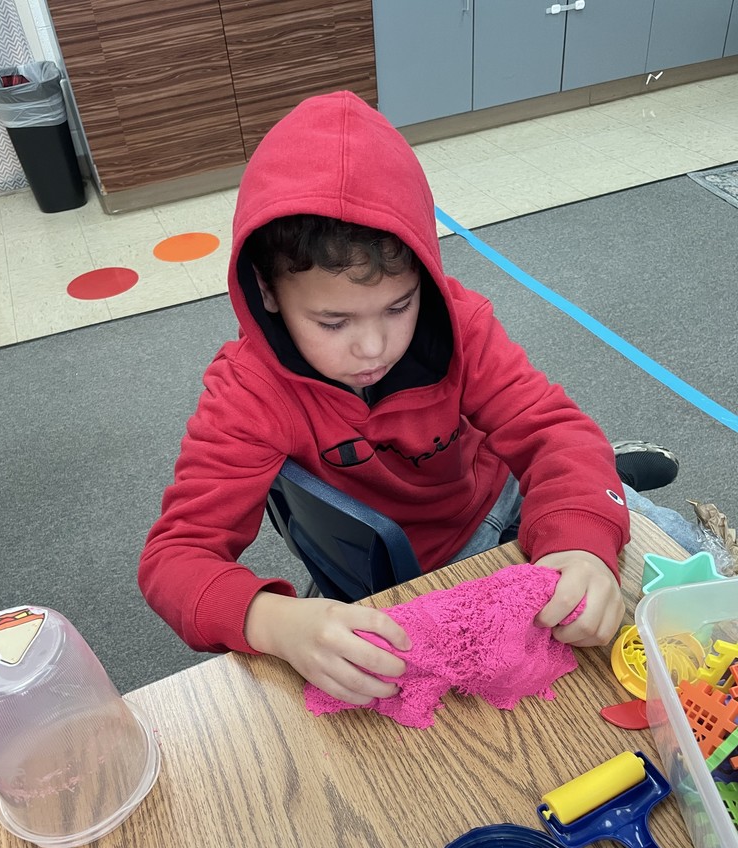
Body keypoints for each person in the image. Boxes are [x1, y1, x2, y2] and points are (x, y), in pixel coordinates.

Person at [138, 90, 682, 707]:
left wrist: (580, 538)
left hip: (497, 512)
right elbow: (174, 559)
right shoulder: (247, 393)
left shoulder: (464, 329)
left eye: (398, 306)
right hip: (401, 578)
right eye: (333, 322)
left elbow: (555, 431)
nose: (372, 347)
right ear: (266, 290)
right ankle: (607, 481)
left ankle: (609, 479)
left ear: (423, 272)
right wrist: (275, 622)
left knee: (650, 550)